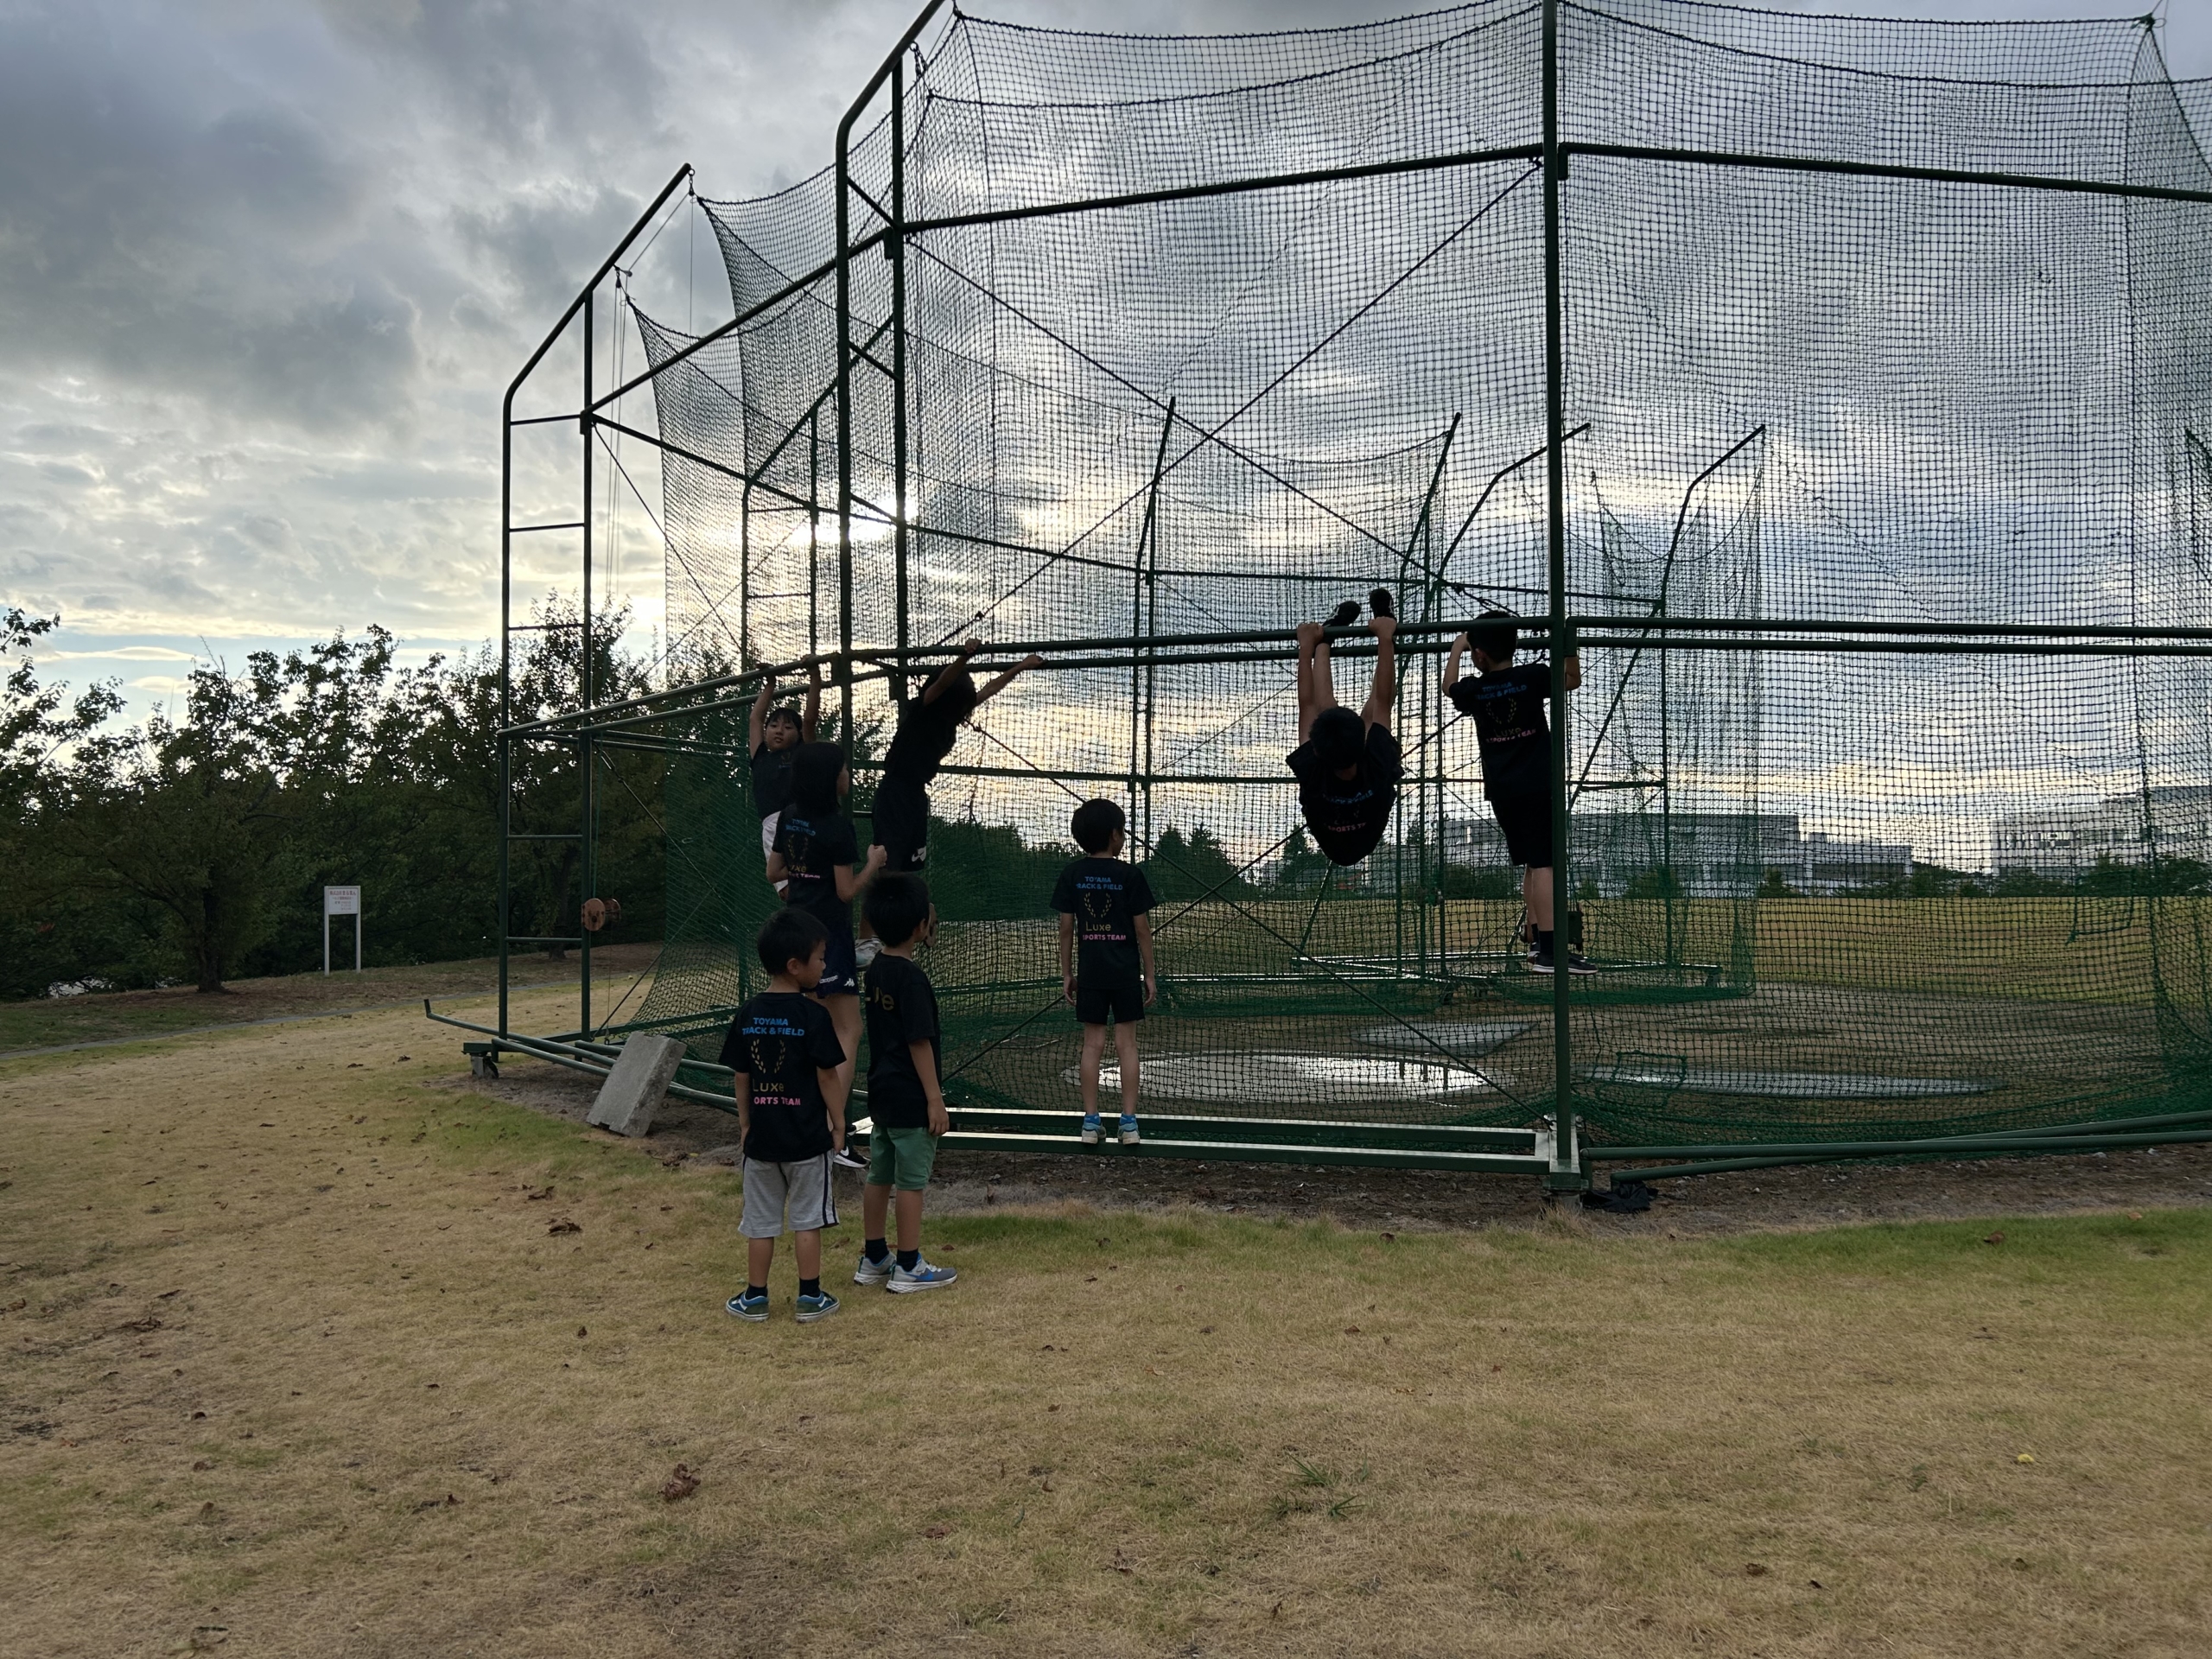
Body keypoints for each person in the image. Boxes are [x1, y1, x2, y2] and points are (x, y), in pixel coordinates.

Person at [1443, 610, 1594, 976]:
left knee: (1532, 862)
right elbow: (1571, 678)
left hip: (1503, 791)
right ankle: (1551, 952)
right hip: (1537, 785)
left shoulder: (1475, 690)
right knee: (1546, 863)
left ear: (1480, 655)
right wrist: (1566, 643)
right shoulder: (1531, 676)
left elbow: (1449, 687)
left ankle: (1535, 936)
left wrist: (1457, 648)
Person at [721, 907, 852, 1324]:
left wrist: (745, 1124)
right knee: (807, 1221)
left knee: (759, 1223)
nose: (825, 964)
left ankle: (755, 1297)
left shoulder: (748, 1013)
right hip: (807, 1139)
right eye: (820, 958)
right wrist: (839, 1124)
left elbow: (742, 1076)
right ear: (796, 966)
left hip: (762, 1140)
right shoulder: (814, 1015)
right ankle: (810, 1297)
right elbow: (828, 1076)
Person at [767, 741, 888, 1162]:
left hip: (795, 929)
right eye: (843, 769)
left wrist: (804, 874)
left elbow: (773, 872)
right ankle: (830, 1133)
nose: (847, 776)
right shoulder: (837, 826)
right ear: (827, 777)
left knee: (811, 1031)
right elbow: (845, 891)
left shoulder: (789, 815)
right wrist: (873, 862)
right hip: (828, 940)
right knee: (846, 1031)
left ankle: (807, 1125)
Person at [854, 874, 958, 1294]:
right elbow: (919, 1041)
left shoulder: (876, 968)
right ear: (920, 926)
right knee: (911, 1182)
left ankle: (875, 1256)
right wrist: (935, 1099)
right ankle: (909, 1267)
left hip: (881, 1091)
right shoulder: (912, 979)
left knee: (880, 1174)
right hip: (911, 1095)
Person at [868, 638, 1042, 879]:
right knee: (888, 865)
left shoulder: (950, 720)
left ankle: (909, 911)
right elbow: (942, 684)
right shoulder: (923, 709)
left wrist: (1021, 666)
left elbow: (990, 689)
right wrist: (964, 657)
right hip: (895, 791)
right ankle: (880, 913)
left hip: (916, 794)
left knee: (911, 865)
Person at [1052, 798, 1157, 1146]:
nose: (1124, 836)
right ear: (1114, 835)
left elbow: (1067, 929)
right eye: (1122, 830)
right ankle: (1128, 1124)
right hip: (1125, 974)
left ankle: (1090, 1122)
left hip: (1091, 974)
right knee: (1126, 1045)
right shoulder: (1130, 874)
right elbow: (1142, 931)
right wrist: (1150, 975)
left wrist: (1067, 973)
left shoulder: (1072, 874)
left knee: (1092, 1044)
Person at [1287, 588, 1401, 868]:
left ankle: (1327, 638)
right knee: (1368, 711)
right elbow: (1308, 705)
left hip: (1344, 837)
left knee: (1328, 713)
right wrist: (1304, 648)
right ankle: (1323, 640)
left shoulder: (1315, 769)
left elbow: (1308, 706)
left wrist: (1385, 638)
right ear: (1361, 741)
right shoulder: (1373, 765)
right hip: (1365, 828)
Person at [747, 660, 822, 895]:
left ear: (799, 734)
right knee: (785, 890)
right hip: (771, 826)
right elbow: (755, 719)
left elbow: (809, 719)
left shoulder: (802, 753)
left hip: (798, 822)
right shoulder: (760, 756)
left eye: (788, 727)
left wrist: (815, 678)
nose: (779, 730)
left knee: (809, 882)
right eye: (774, 725)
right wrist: (770, 683)